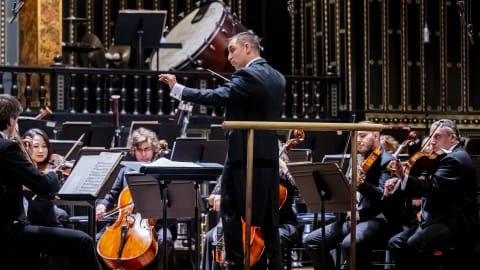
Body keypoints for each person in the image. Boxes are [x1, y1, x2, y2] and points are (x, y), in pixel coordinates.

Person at [159, 31, 286, 269]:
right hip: (268, 154)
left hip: (243, 155)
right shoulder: (277, 77)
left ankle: (236, 264)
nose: (228, 57)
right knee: (270, 218)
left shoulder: (248, 75)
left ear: (248, 47)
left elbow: (218, 97)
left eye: (232, 50)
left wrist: (179, 89)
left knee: (230, 210)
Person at [0, 93, 103, 270]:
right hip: (10, 232)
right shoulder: (7, 148)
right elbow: (45, 186)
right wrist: (52, 172)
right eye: (16, 121)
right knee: (83, 241)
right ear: (10, 121)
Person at [384, 119, 480, 270]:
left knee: (414, 244)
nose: (432, 142)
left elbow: (431, 188)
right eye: (431, 136)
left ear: (452, 138)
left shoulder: (455, 159)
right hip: (436, 218)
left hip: (454, 222)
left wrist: (404, 177)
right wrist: (399, 179)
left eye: (437, 136)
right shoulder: (443, 157)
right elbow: (424, 181)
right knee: (396, 243)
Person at [302, 123, 399, 270]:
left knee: (349, 245)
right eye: (355, 137)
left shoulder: (387, 162)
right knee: (312, 241)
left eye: (362, 136)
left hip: (374, 219)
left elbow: (383, 198)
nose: (358, 140)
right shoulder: (356, 159)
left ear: (376, 135)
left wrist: (361, 184)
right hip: (349, 219)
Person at [202, 155, 301, 270]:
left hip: (280, 224)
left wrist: (283, 167)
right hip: (245, 223)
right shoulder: (245, 169)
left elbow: (299, 185)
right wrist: (219, 194)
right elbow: (216, 191)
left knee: (263, 241)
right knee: (211, 237)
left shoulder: (283, 173)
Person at [95, 127, 174, 270]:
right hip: (126, 222)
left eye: (147, 149)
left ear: (154, 149)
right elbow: (111, 193)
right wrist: (102, 205)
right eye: (139, 150)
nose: (143, 154)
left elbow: (171, 200)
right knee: (97, 241)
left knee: (164, 240)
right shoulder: (126, 170)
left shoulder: (162, 171)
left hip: (155, 224)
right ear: (134, 151)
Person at [22, 128, 70, 227]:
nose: (41, 150)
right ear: (26, 148)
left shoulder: (50, 170)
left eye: (44, 146)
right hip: (31, 222)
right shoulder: (22, 170)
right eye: (35, 146)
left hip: (48, 220)